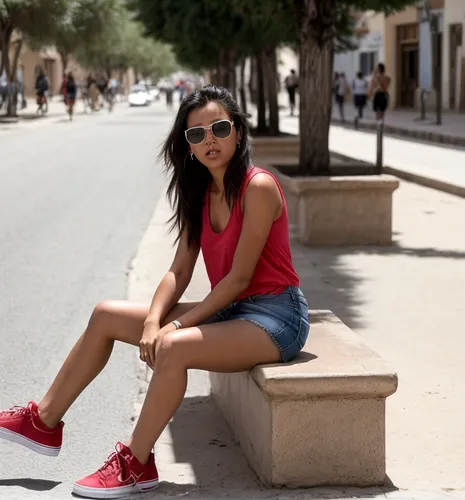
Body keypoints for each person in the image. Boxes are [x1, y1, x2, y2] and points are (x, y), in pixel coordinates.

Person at [0, 85, 310, 499]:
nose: (209, 139)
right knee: (106, 314)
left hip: (276, 317)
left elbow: (238, 279)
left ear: (238, 131)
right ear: (188, 146)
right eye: (196, 134)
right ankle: (43, 420)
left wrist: (174, 325)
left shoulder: (258, 187)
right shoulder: (200, 193)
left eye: (218, 127)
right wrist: (151, 319)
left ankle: (136, 462)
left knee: (173, 347)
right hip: (235, 311)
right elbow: (179, 270)